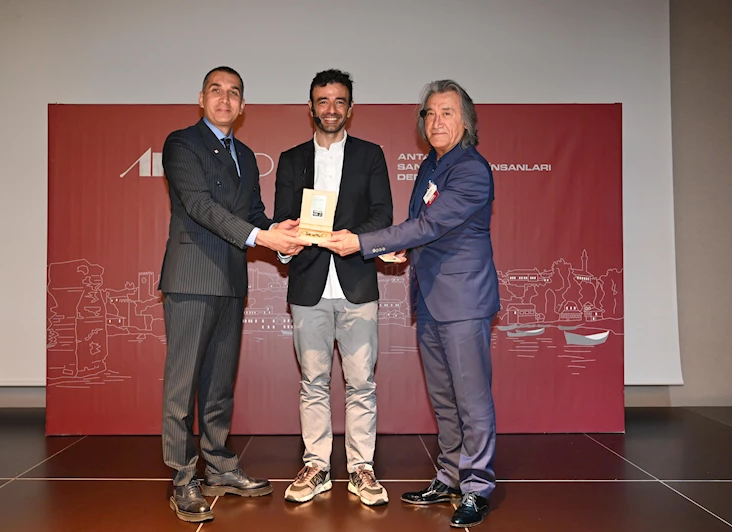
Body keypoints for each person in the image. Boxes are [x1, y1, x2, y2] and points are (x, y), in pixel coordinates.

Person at [320, 79, 500, 528]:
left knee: (471, 400)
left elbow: (430, 225)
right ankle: (450, 476)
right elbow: (420, 225)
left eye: (447, 112)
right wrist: (398, 246)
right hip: (432, 299)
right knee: (445, 400)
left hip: (463, 301)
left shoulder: (471, 170)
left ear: (466, 121)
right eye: (429, 113)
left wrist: (363, 242)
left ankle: (477, 487)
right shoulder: (431, 165)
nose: (436, 121)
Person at [159, 66, 308, 523]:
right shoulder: (181, 143)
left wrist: (277, 230)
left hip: (230, 280)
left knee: (219, 384)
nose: (224, 99)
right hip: (191, 277)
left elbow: (253, 213)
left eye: (233, 93)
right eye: (216, 91)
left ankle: (220, 466)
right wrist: (262, 238)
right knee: (183, 385)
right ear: (201, 98)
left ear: (243, 106)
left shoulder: (243, 153)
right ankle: (183, 478)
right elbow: (200, 206)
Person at [273, 69, 393, 506]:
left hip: (356, 282)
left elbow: (382, 214)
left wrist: (352, 239)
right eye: (322, 101)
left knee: (362, 382)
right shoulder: (291, 159)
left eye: (339, 101)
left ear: (350, 108)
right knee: (313, 381)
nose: (331, 109)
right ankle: (317, 466)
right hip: (309, 284)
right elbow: (283, 219)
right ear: (311, 107)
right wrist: (287, 241)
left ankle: (362, 468)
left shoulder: (370, 155)